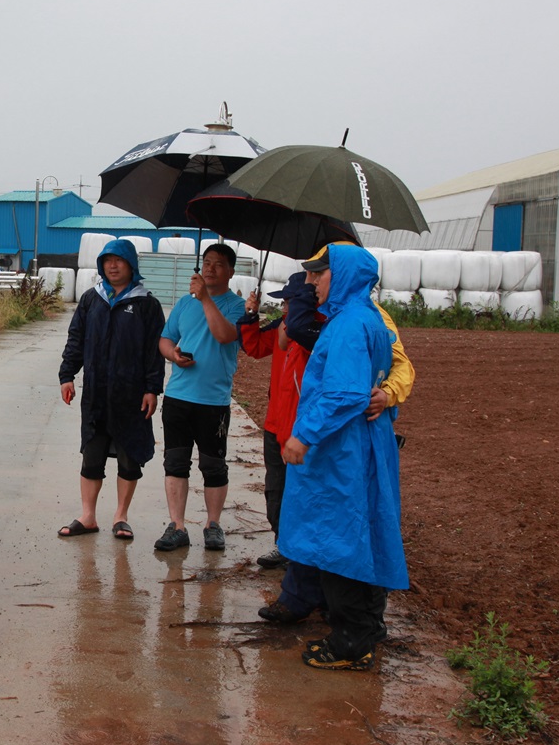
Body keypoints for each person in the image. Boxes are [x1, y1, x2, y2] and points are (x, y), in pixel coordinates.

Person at [255, 242, 415, 620]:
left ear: (342, 274)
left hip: (336, 434)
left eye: (318, 273)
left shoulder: (358, 320)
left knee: (338, 523)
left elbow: (387, 371)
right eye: (308, 274)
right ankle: (305, 598)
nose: (311, 282)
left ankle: (350, 622)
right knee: (312, 516)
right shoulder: (336, 312)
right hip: (315, 426)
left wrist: (388, 394)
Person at [57, 239, 165, 540]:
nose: (112, 266)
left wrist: (152, 388)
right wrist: (67, 375)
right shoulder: (92, 299)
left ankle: (121, 517)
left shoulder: (147, 304)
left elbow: (154, 352)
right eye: (107, 260)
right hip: (96, 393)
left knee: (130, 456)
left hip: (131, 395)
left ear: (131, 265)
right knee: (92, 455)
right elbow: (76, 339)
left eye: (119, 260)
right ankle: (88, 516)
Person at [153, 243, 246, 552]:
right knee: (175, 462)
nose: (210, 268)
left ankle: (213, 524)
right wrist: (173, 355)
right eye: (207, 262)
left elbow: (225, 335)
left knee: (213, 465)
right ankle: (177, 526)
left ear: (231, 271)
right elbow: (166, 339)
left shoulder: (237, 306)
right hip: (178, 395)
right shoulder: (184, 303)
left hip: (213, 400)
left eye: (218, 264)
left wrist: (205, 298)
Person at [236, 272, 320, 567]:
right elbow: (255, 347)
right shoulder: (283, 325)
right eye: (284, 303)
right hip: (275, 424)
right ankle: (282, 543)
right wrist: (250, 315)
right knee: (276, 488)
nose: (284, 308)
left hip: (301, 429)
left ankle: (300, 552)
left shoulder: (317, 332)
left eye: (288, 302)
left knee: (302, 490)